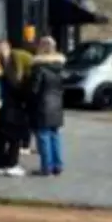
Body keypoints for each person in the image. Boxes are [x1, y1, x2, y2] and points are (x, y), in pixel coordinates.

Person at [27, 36, 66, 176]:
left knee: (43, 136)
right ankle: (58, 165)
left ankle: (46, 167)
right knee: (55, 135)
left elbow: (34, 89)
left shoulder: (39, 67)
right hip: (57, 104)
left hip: (42, 105)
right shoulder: (60, 66)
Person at [0, 40, 29, 177]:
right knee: (14, 137)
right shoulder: (10, 66)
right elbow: (15, 86)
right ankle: (12, 164)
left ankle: (1, 164)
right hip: (11, 106)